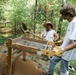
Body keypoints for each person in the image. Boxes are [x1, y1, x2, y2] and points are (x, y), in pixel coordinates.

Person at [46, 4, 76, 75]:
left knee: (63, 71)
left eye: (62, 14)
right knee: (53, 60)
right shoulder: (71, 22)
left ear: (67, 13)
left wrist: (63, 49)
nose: (61, 16)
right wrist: (61, 42)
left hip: (67, 52)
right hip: (62, 49)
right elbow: (71, 37)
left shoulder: (75, 23)